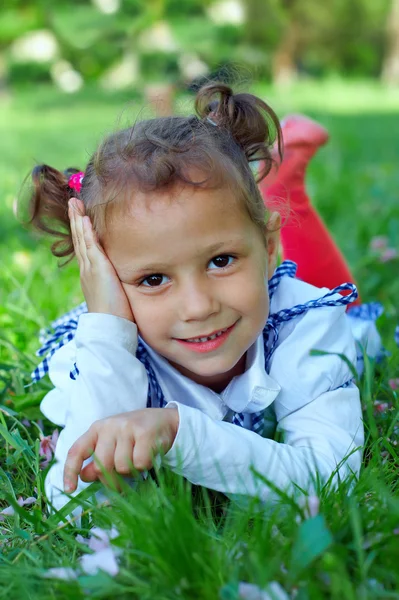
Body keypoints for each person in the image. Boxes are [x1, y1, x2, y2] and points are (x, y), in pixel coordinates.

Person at [28, 83, 379, 515]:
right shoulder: (102, 351)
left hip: (304, 312)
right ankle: (271, 191)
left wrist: (181, 434)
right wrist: (108, 330)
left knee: (348, 307)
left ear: (269, 247)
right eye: (153, 278)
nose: (198, 307)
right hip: (246, 286)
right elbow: (74, 505)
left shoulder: (307, 329)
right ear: (107, 284)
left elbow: (329, 476)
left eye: (221, 260)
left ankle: (286, 190)